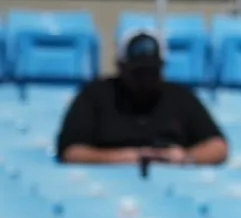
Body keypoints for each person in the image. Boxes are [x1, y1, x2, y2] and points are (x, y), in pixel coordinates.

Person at [56, 30, 228, 166]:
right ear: (121, 67)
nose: (145, 80)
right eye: (138, 73)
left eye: (152, 72)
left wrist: (185, 158)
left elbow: (217, 146)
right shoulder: (95, 96)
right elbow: (71, 151)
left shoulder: (180, 97)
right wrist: (129, 158)